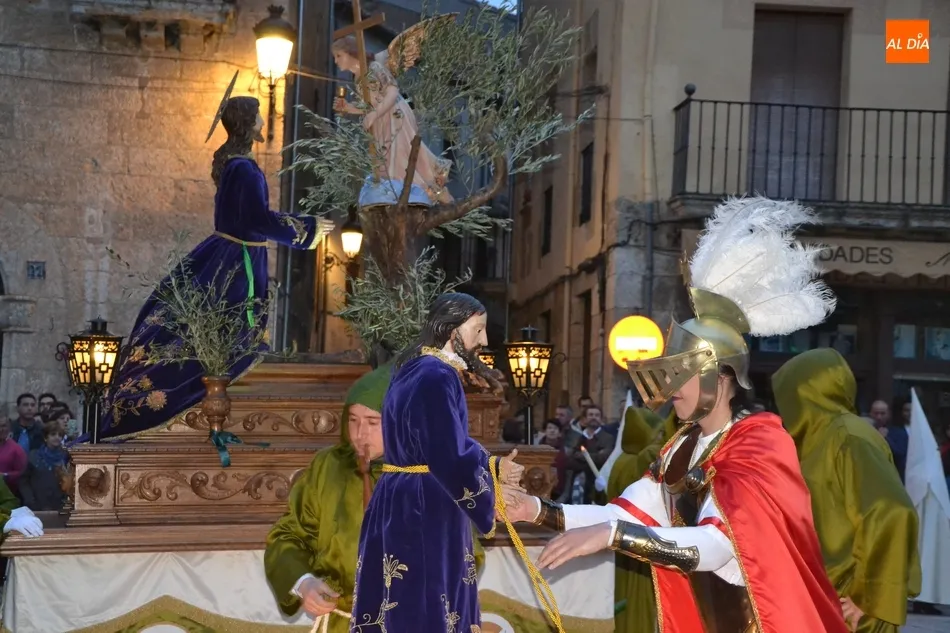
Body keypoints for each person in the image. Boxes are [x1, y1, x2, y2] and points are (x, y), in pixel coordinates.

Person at [504, 196, 848, 632]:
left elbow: (719, 545)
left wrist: (611, 538)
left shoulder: (759, 443)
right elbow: (627, 512)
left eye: (681, 373)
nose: (669, 389)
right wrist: (535, 509)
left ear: (721, 377)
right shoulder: (682, 446)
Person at [98, 83, 333, 441]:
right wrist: (306, 229)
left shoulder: (236, 164)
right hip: (238, 260)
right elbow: (254, 219)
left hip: (234, 253)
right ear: (247, 122)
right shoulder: (241, 168)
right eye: (256, 114)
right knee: (229, 325)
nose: (261, 119)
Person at [264, 365, 487, 633]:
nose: (359, 434)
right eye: (353, 420)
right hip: (341, 623)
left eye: (372, 423)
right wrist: (303, 582)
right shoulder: (329, 467)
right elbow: (289, 536)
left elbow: (466, 555)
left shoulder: (434, 475)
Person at [350, 293, 523, 632]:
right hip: (425, 507)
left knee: (401, 605)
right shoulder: (437, 375)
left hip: (401, 497)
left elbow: (442, 439)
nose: (484, 340)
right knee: (425, 608)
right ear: (451, 329)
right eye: (478, 329)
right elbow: (447, 456)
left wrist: (492, 464)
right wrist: (491, 502)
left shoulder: (413, 368)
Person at [772, 348, 921, 633]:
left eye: (788, 394)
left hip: (849, 611)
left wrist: (869, 597)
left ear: (807, 392)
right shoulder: (818, 439)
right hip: (822, 600)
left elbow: (892, 512)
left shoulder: (849, 437)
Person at [332, 33, 452, 205]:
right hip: (382, 121)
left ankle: (432, 189)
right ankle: (404, 194)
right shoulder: (358, 77)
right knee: (388, 160)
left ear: (351, 52)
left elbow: (392, 91)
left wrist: (374, 114)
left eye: (339, 55)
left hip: (395, 114)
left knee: (400, 156)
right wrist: (348, 108)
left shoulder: (374, 68)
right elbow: (369, 104)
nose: (336, 61)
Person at [20, 423, 70, 512]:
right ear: (45, 438)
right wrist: (30, 500)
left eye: (60, 435)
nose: (57, 437)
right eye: (53, 434)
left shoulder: (66, 457)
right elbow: (23, 481)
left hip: (59, 505)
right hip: (37, 505)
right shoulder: (33, 456)